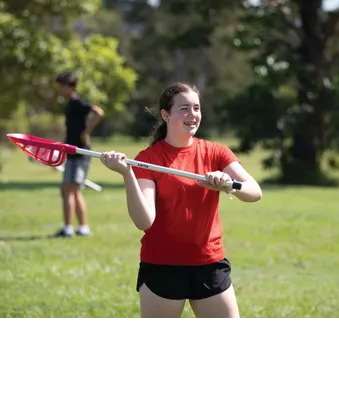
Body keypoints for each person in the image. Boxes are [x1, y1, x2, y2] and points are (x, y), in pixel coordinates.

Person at [99, 82, 262, 319]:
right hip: (162, 266)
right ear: (166, 115)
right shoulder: (149, 159)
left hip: (209, 263)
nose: (193, 114)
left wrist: (229, 185)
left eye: (196, 108)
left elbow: (255, 191)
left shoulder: (216, 152)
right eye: (184, 109)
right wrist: (127, 174)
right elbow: (144, 221)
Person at [54, 71, 104, 238]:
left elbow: (98, 112)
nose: (60, 89)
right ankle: (73, 228)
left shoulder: (77, 103)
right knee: (68, 190)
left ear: (70, 86)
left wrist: (86, 132)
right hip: (71, 152)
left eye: (62, 86)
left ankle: (78, 228)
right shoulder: (69, 105)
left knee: (72, 189)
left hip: (81, 152)